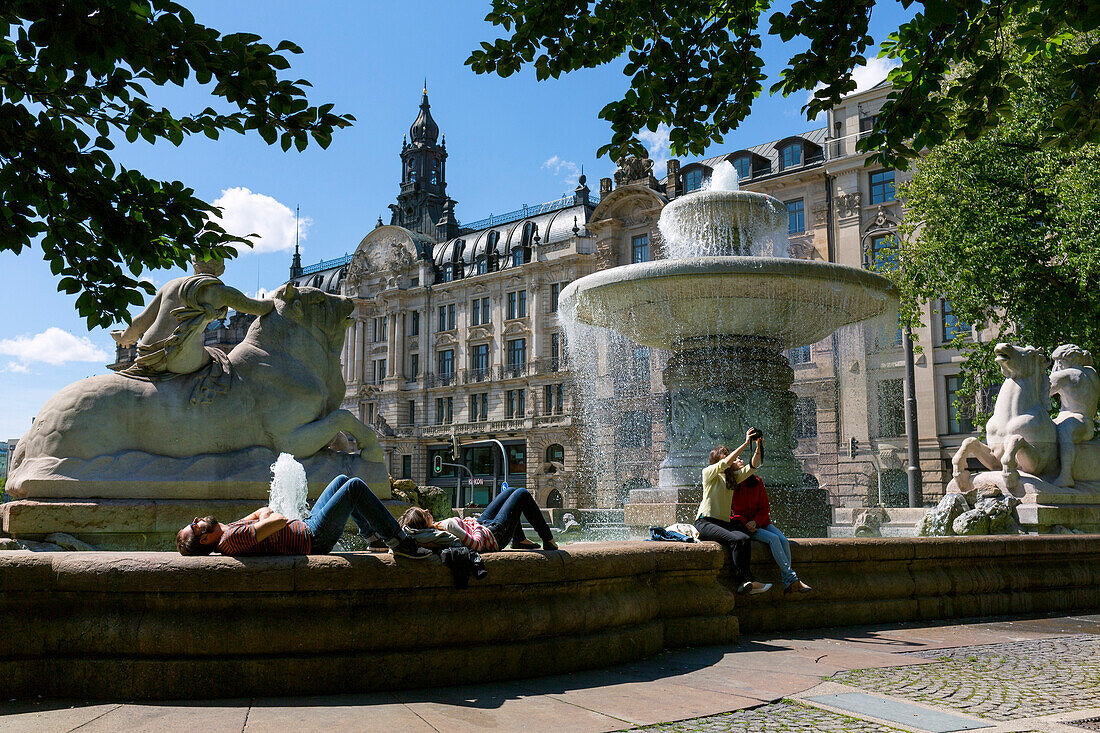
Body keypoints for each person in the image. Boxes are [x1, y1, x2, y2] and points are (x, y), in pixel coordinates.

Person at [176, 474, 431, 558]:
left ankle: (373, 538)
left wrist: (265, 516)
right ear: (205, 540)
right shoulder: (233, 537)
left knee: (341, 480)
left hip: (306, 527)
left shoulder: (227, 532)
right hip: (313, 538)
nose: (197, 520)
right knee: (353, 487)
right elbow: (274, 519)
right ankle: (399, 542)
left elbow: (264, 514)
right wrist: (265, 517)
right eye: (194, 526)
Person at [696, 428, 771, 595]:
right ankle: (744, 581)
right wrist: (745, 443)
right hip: (705, 522)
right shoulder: (709, 474)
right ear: (717, 460)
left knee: (744, 538)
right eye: (725, 455)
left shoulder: (732, 478)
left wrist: (758, 446)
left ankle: (749, 581)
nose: (731, 457)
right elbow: (725, 464)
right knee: (736, 540)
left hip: (722, 523)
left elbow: (752, 467)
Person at [400, 485, 558, 552]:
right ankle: (548, 539)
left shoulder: (436, 527)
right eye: (424, 513)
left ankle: (519, 539)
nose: (427, 510)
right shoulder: (447, 527)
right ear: (422, 523)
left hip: (482, 524)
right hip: (494, 535)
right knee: (522, 493)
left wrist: (473, 522)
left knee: (510, 490)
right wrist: (475, 525)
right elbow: (476, 545)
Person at [730, 470, 812, 594]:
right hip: (745, 527)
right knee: (773, 539)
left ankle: (788, 582)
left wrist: (756, 521)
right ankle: (792, 579)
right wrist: (747, 523)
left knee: (783, 540)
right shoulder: (731, 485)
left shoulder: (757, 481)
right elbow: (730, 511)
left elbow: (765, 507)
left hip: (762, 522)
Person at [1050, 344, 1099, 487]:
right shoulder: (1091, 373)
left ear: (1061, 361)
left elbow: (1039, 392)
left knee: (1065, 430)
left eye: (1056, 362)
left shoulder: (1064, 375)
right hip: (1088, 422)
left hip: (1076, 421)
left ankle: (1066, 474)